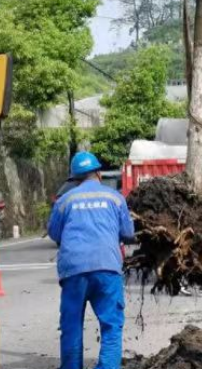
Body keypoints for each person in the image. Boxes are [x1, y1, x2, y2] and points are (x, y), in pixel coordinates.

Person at [48, 152, 135, 370]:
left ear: (75, 179)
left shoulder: (65, 201)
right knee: (111, 326)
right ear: (98, 173)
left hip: (73, 271)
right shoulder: (115, 198)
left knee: (71, 326)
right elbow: (128, 232)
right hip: (107, 268)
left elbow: (54, 233)